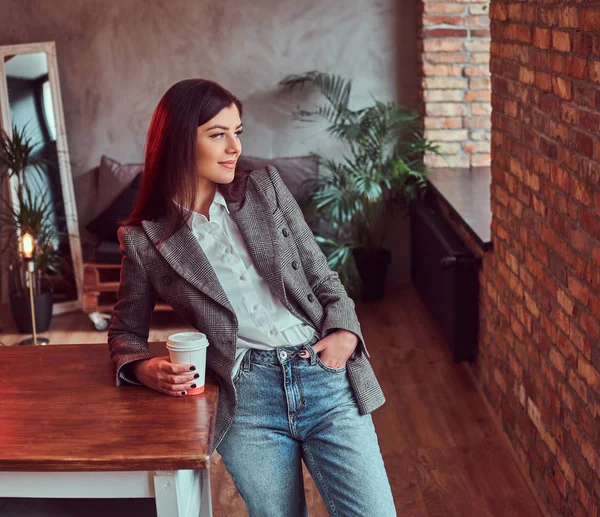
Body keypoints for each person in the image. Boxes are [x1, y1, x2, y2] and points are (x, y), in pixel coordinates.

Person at [107, 78, 396, 517]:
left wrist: (345, 335)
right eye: (217, 134)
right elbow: (125, 331)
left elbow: (322, 277)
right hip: (246, 399)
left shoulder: (266, 189)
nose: (234, 147)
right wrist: (144, 368)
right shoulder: (144, 240)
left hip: (323, 373)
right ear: (179, 142)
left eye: (237, 132)